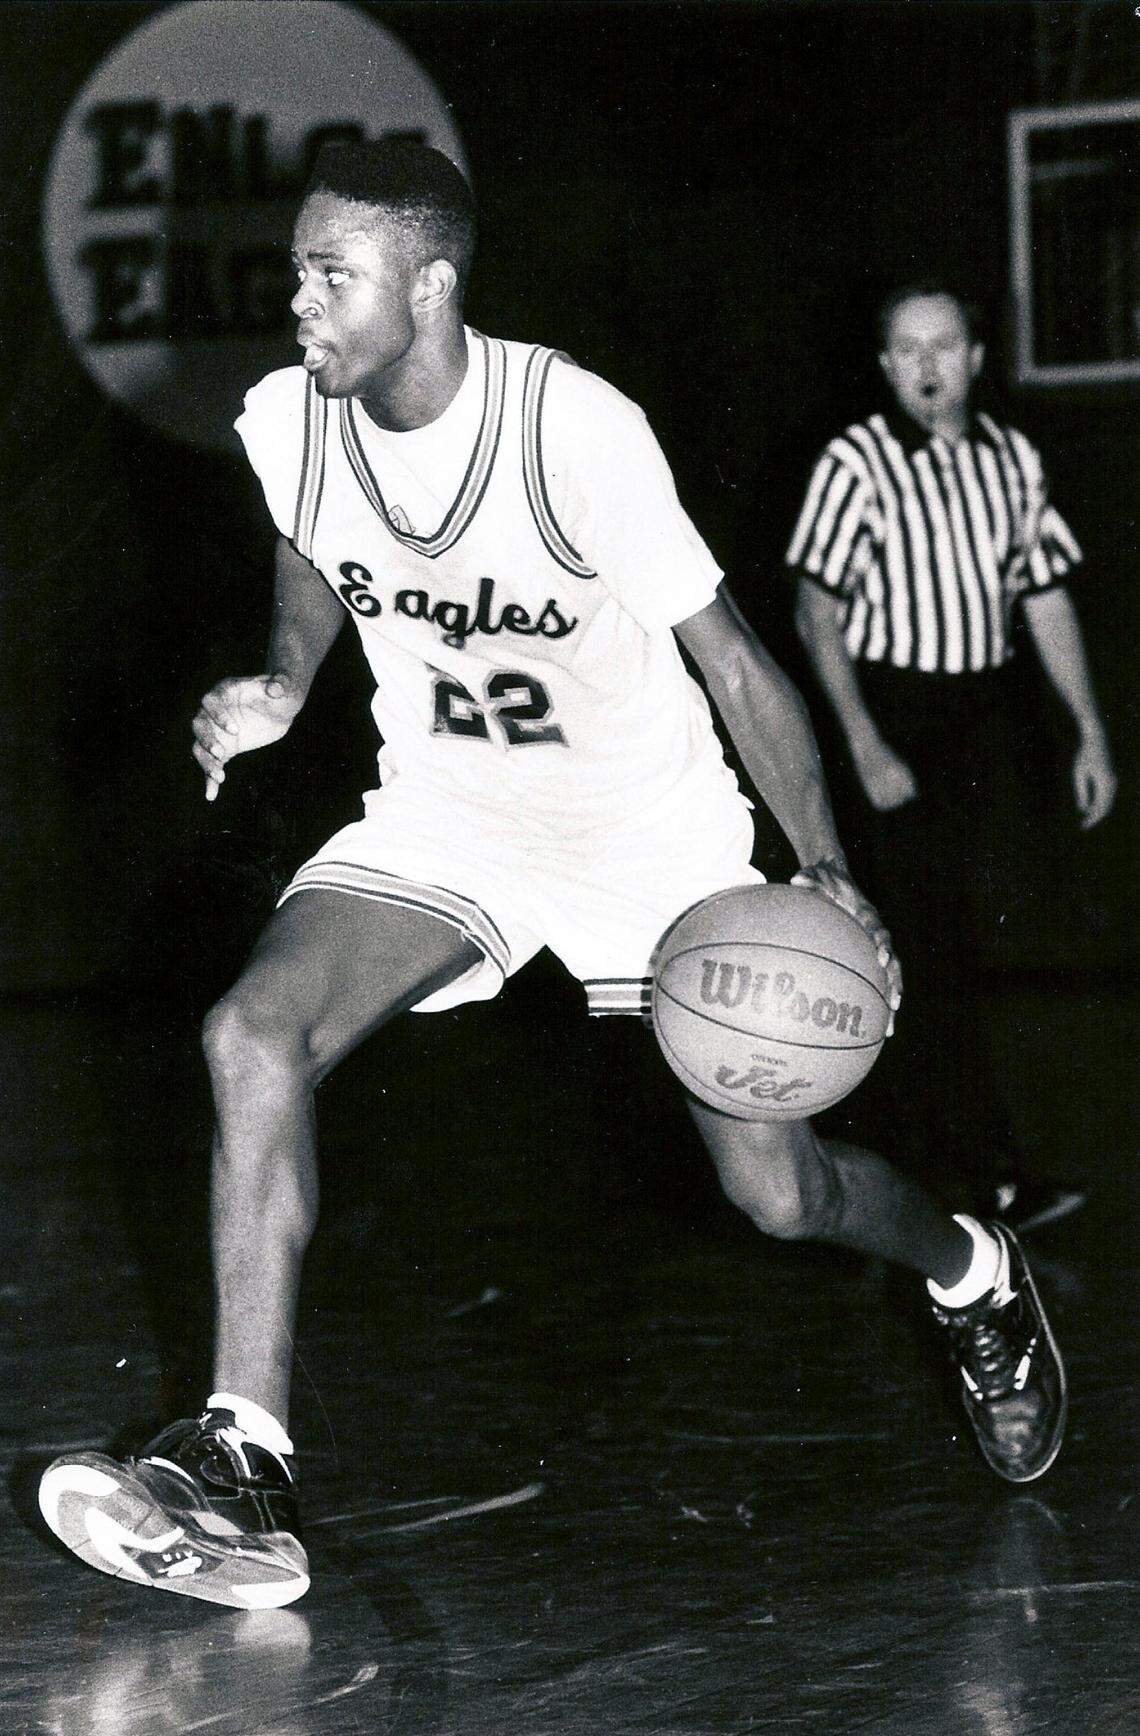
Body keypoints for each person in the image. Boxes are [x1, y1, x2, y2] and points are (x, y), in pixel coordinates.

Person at [39, 146, 1066, 1611]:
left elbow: (738, 665)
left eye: (333, 273)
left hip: (649, 838)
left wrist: (830, 870)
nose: (299, 301)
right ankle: (241, 1461)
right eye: (296, 269)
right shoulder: (293, 419)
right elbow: (314, 554)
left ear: (433, 285)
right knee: (247, 1036)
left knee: (778, 1196)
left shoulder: (571, 429)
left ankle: (970, 1270)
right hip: (452, 815)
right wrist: (281, 679)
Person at [789, 281, 1116, 1232]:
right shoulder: (856, 460)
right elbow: (817, 612)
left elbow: (1045, 596)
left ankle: (926, 1172)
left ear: (976, 356)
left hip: (981, 719)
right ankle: (977, 1178)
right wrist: (866, 742)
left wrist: (1088, 728)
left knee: (955, 952)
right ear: (887, 365)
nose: (927, 366)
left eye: (944, 346)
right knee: (920, 952)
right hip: (892, 710)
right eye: (907, 349)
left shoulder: (1013, 460)